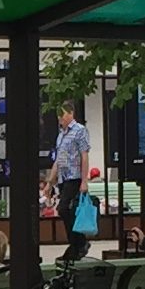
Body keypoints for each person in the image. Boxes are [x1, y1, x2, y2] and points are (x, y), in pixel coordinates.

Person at [50, 106, 92, 263]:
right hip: (63, 177)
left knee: (63, 208)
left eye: (63, 114)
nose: (60, 118)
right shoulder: (61, 135)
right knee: (66, 211)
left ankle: (80, 242)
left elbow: (84, 155)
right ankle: (74, 244)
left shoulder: (80, 130)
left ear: (71, 113)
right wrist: (50, 182)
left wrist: (84, 180)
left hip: (74, 177)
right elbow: (58, 160)